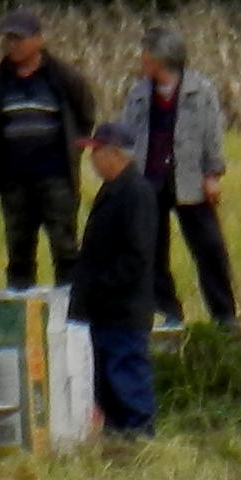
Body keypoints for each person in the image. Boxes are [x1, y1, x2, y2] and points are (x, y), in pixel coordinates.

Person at [94, 21, 234, 331]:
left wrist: (212, 174)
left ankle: (224, 315)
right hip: (150, 179)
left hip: (188, 179)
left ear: (162, 58)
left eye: (146, 54)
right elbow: (128, 135)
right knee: (151, 249)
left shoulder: (201, 90)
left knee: (208, 247)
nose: (142, 60)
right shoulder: (139, 93)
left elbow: (212, 135)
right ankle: (168, 310)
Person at [0, 7, 98, 293]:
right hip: (14, 180)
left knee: (65, 247)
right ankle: (22, 314)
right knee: (18, 251)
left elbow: (86, 115)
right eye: (8, 39)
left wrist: (73, 150)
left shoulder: (63, 76)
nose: (12, 45)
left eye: (18, 38)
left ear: (38, 40)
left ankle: (70, 311)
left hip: (55, 177)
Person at [70, 125, 167, 436]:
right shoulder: (113, 190)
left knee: (127, 380)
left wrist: (100, 287)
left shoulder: (135, 192)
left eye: (95, 152)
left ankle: (140, 444)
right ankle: (118, 444)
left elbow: (137, 255)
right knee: (108, 387)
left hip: (122, 311)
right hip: (105, 311)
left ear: (114, 153)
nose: (91, 160)